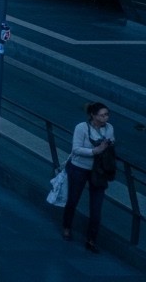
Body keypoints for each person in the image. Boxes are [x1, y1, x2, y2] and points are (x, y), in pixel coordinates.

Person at [62, 102, 115, 253]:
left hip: (98, 172)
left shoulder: (109, 128)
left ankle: (91, 239)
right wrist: (95, 150)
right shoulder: (81, 128)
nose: (106, 118)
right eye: (102, 115)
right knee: (73, 200)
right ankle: (66, 226)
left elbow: (111, 144)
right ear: (93, 115)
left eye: (107, 114)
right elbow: (76, 149)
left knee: (96, 207)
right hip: (80, 168)